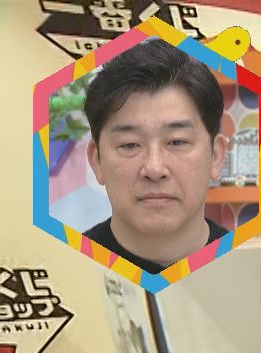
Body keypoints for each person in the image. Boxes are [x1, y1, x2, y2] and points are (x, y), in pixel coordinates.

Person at [82, 39, 231, 273]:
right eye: (130, 145)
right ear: (97, 160)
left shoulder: (253, 266)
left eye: (177, 142)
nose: (154, 169)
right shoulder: (67, 265)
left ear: (216, 156)